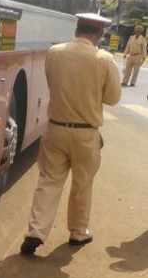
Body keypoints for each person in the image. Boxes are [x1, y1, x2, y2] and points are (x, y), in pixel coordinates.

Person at [20, 13, 121, 255]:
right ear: (99, 33)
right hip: (85, 133)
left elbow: (51, 82)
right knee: (82, 184)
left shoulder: (54, 52)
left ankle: (36, 232)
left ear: (77, 28)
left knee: (48, 181)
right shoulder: (104, 59)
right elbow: (112, 98)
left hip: (55, 128)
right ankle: (78, 232)